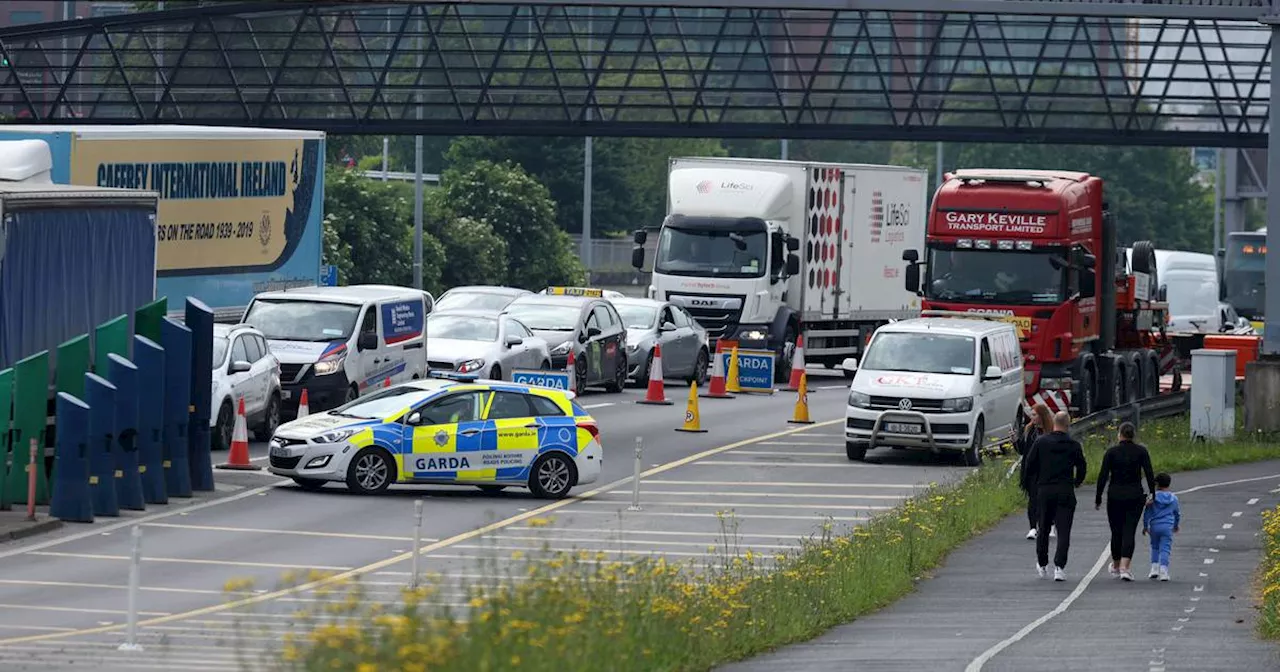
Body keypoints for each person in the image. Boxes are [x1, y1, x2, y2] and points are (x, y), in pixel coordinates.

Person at [1021, 410, 1087, 581]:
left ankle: (1042, 564)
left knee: (1043, 528)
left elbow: (1029, 465)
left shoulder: (1041, 442)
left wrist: (1035, 483)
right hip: (1065, 490)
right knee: (1064, 530)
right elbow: (1082, 467)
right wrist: (1076, 482)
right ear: (1068, 424)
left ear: (1054, 422)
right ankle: (1059, 566)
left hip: (1045, 490)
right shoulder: (1073, 445)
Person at [1095, 422, 1156, 581]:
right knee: (1129, 530)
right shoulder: (1141, 452)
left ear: (1120, 434)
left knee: (1116, 531)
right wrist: (1152, 493)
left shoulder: (1111, 452)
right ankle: (1124, 567)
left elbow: (1103, 476)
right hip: (1135, 495)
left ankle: (1115, 565)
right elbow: (1149, 473)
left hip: (1115, 495)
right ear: (1133, 435)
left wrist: (1098, 497)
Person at [1017, 403, 1055, 540]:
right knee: (1033, 499)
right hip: (1031, 471)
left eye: (1034, 415)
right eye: (1031, 415)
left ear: (1042, 416)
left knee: (1046, 500)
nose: (1031, 417)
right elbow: (1022, 450)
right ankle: (1033, 528)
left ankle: (1050, 524)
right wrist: (1014, 440)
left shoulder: (1050, 432)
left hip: (1046, 471)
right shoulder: (1029, 430)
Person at [1143, 473, 1181, 582]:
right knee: (1165, 548)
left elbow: (1147, 512)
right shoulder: (1173, 498)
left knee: (1155, 547)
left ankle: (1154, 569)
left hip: (1154, 526)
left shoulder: (1152, 497)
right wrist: (1176, 525)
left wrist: (1145, 526)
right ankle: (1164, 571)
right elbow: (1177, 513)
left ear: (1156, 484)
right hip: (1168, 526)